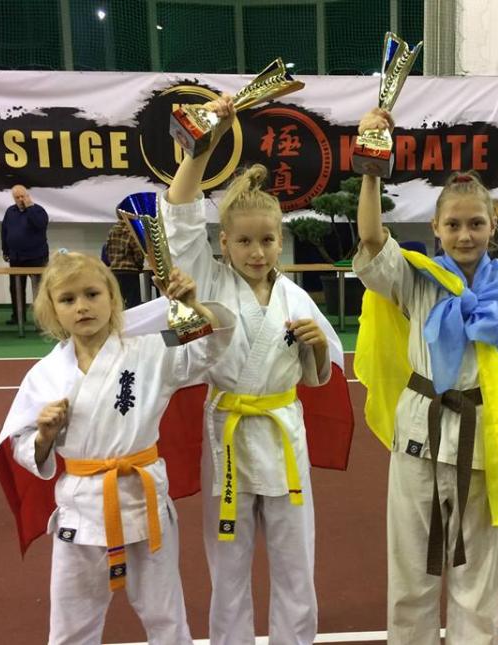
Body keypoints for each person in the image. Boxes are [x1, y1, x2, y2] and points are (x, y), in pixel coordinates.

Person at [148, 95, 350, 645]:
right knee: (229, 569)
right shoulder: (209, 280)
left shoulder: (297, 299)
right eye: (243, 241)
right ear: (223, 242)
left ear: (280, 240)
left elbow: (317, 378)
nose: (256, 252)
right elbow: (179, 216)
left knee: (295, 566)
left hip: (284, 435)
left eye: (266, 240)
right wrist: (201, 146)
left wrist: (315, 349)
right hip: (228, 437)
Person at [353, 107, 498, 644]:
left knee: (477, 575)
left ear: (493, 226)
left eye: (475, 223)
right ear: (435, 228)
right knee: (411, 570)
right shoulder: (417, 279)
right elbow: (372, 240)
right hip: (420, 433)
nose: (464, 234)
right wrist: (371, 168)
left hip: (482, 436)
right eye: (453, 224)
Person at [0, 251, 235, 644]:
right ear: (53, 310)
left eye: (92, 294)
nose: (82, 306)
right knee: (71, 626)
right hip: (81, 509)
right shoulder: (45, 374)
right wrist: (45, 436)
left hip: (144, 502)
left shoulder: (151, 349)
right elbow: (21, 443)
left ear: (112, 297)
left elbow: (211, 345)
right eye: (68, 299)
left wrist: (192, 306)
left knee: (167, 618)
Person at [2, 185, 49, 325]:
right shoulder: (10, 212)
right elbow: (5, 231)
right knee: (15, 288)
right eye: (17, 197)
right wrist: (5, 250)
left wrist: (30, 208)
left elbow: (40, 225)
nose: (20, 199)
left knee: (40, 289)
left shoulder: (38, 210)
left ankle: (43, 318)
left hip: (37, 257)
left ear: (28, 196)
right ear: (13, 198)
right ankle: (18, 316)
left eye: (23, 196)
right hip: (16, 257)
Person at [106, 217, 145, 308]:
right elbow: (138, 253)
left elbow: (107, 250)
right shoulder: (131, 231)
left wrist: (113, 262)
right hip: (130, 271)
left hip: (115, 271)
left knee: (117, 302)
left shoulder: (111, 231)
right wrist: (139, 265)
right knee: (133, 304)